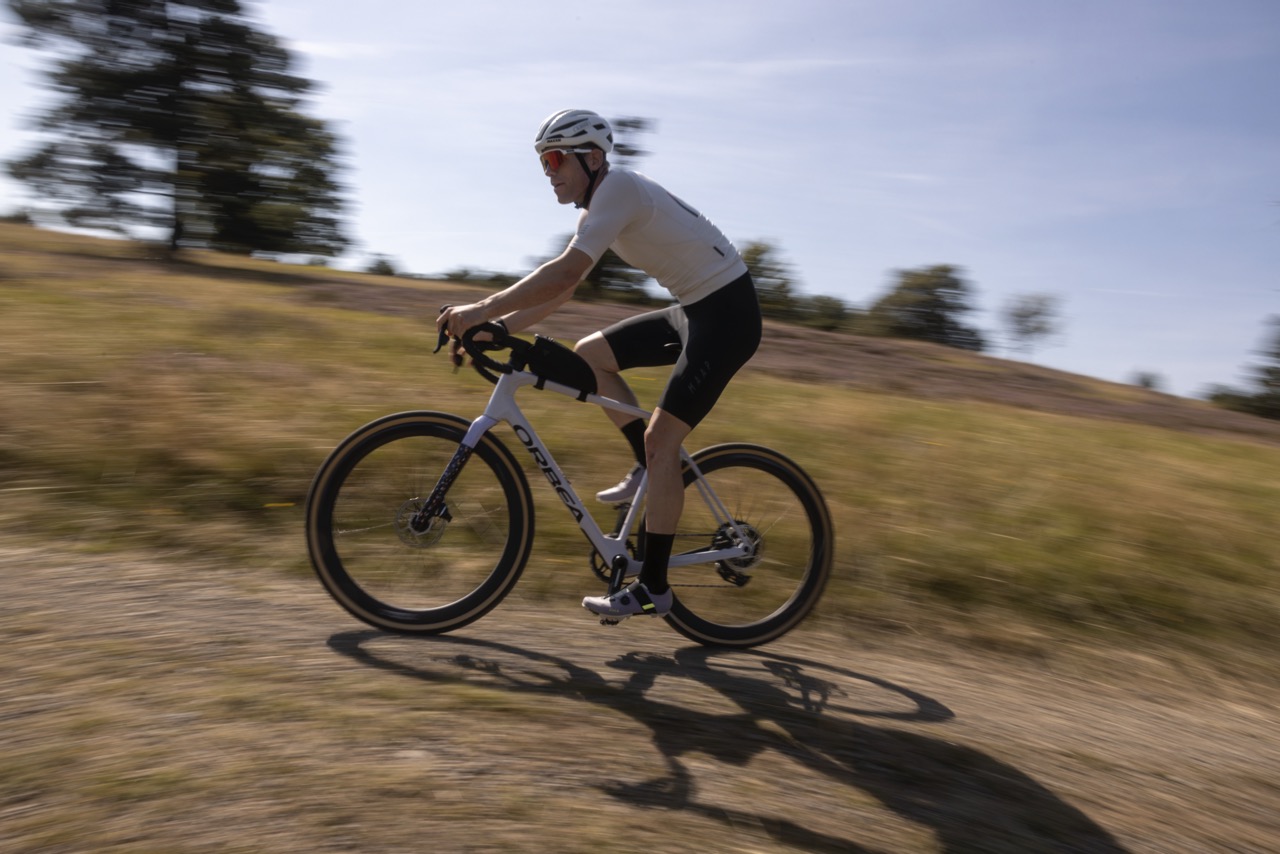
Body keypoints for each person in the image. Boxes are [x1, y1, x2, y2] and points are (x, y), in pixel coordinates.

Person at [437, 109, 761, 620]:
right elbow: (564, 288)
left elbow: (564, 270)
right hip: (696, 310)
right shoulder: (602, 206)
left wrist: (479, 310)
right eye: (544, 162)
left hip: (727, 315)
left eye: (557, 158)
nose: (549, 171)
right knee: (591, 355)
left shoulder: (620, 189)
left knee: (663, 440)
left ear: (592, 157)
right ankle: (649, 467)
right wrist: (501, 329)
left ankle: (653, 587)